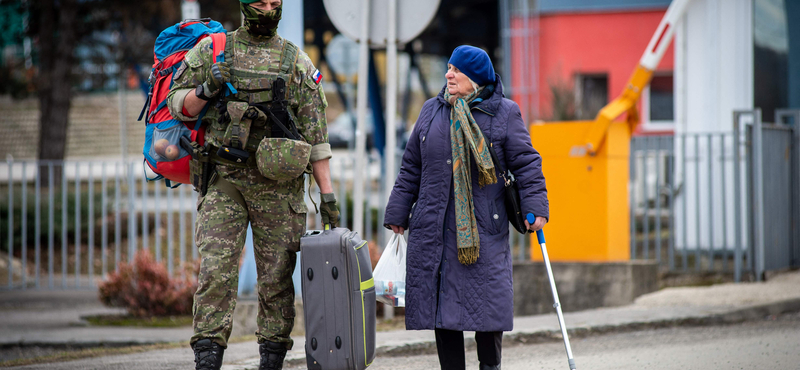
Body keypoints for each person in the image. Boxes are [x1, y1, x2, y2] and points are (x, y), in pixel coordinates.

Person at [167, 1, 339, 369]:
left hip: (278, 186)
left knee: (277, 279)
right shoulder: (213, 51)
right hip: (225, 179)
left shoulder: (295, 61)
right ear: (245, 6)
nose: (267, 10)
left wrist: (328, 197)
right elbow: (177, 105)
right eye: (260, 3)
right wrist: (208, 86)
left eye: (275, 4)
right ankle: (208, 356)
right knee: (216, 269)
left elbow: (316, 137)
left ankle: (272, 358)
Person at [384, 45, 549, 370]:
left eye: (456, 70)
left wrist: (536, 206)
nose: (449, 75)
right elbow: (411, 166)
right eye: (448, 68)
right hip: (433, 229)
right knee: (443, 312)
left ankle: (490, 366)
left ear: (475, 79)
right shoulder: (431, 111)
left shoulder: (504, 113)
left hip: (483, 230)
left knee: (486, 313)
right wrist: (397, 211)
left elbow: (527, 163)